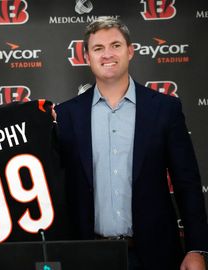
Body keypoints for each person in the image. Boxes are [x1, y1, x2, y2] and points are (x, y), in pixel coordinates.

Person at [55, 17, 208, 270]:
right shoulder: (65, 115)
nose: (107, 55)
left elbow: (187, 184)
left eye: (115, 45)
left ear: (130, 51)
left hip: (154, 256)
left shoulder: (165, 109)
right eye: (98, 48)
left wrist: (196, 249)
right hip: (88, 256)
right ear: (86, 56)